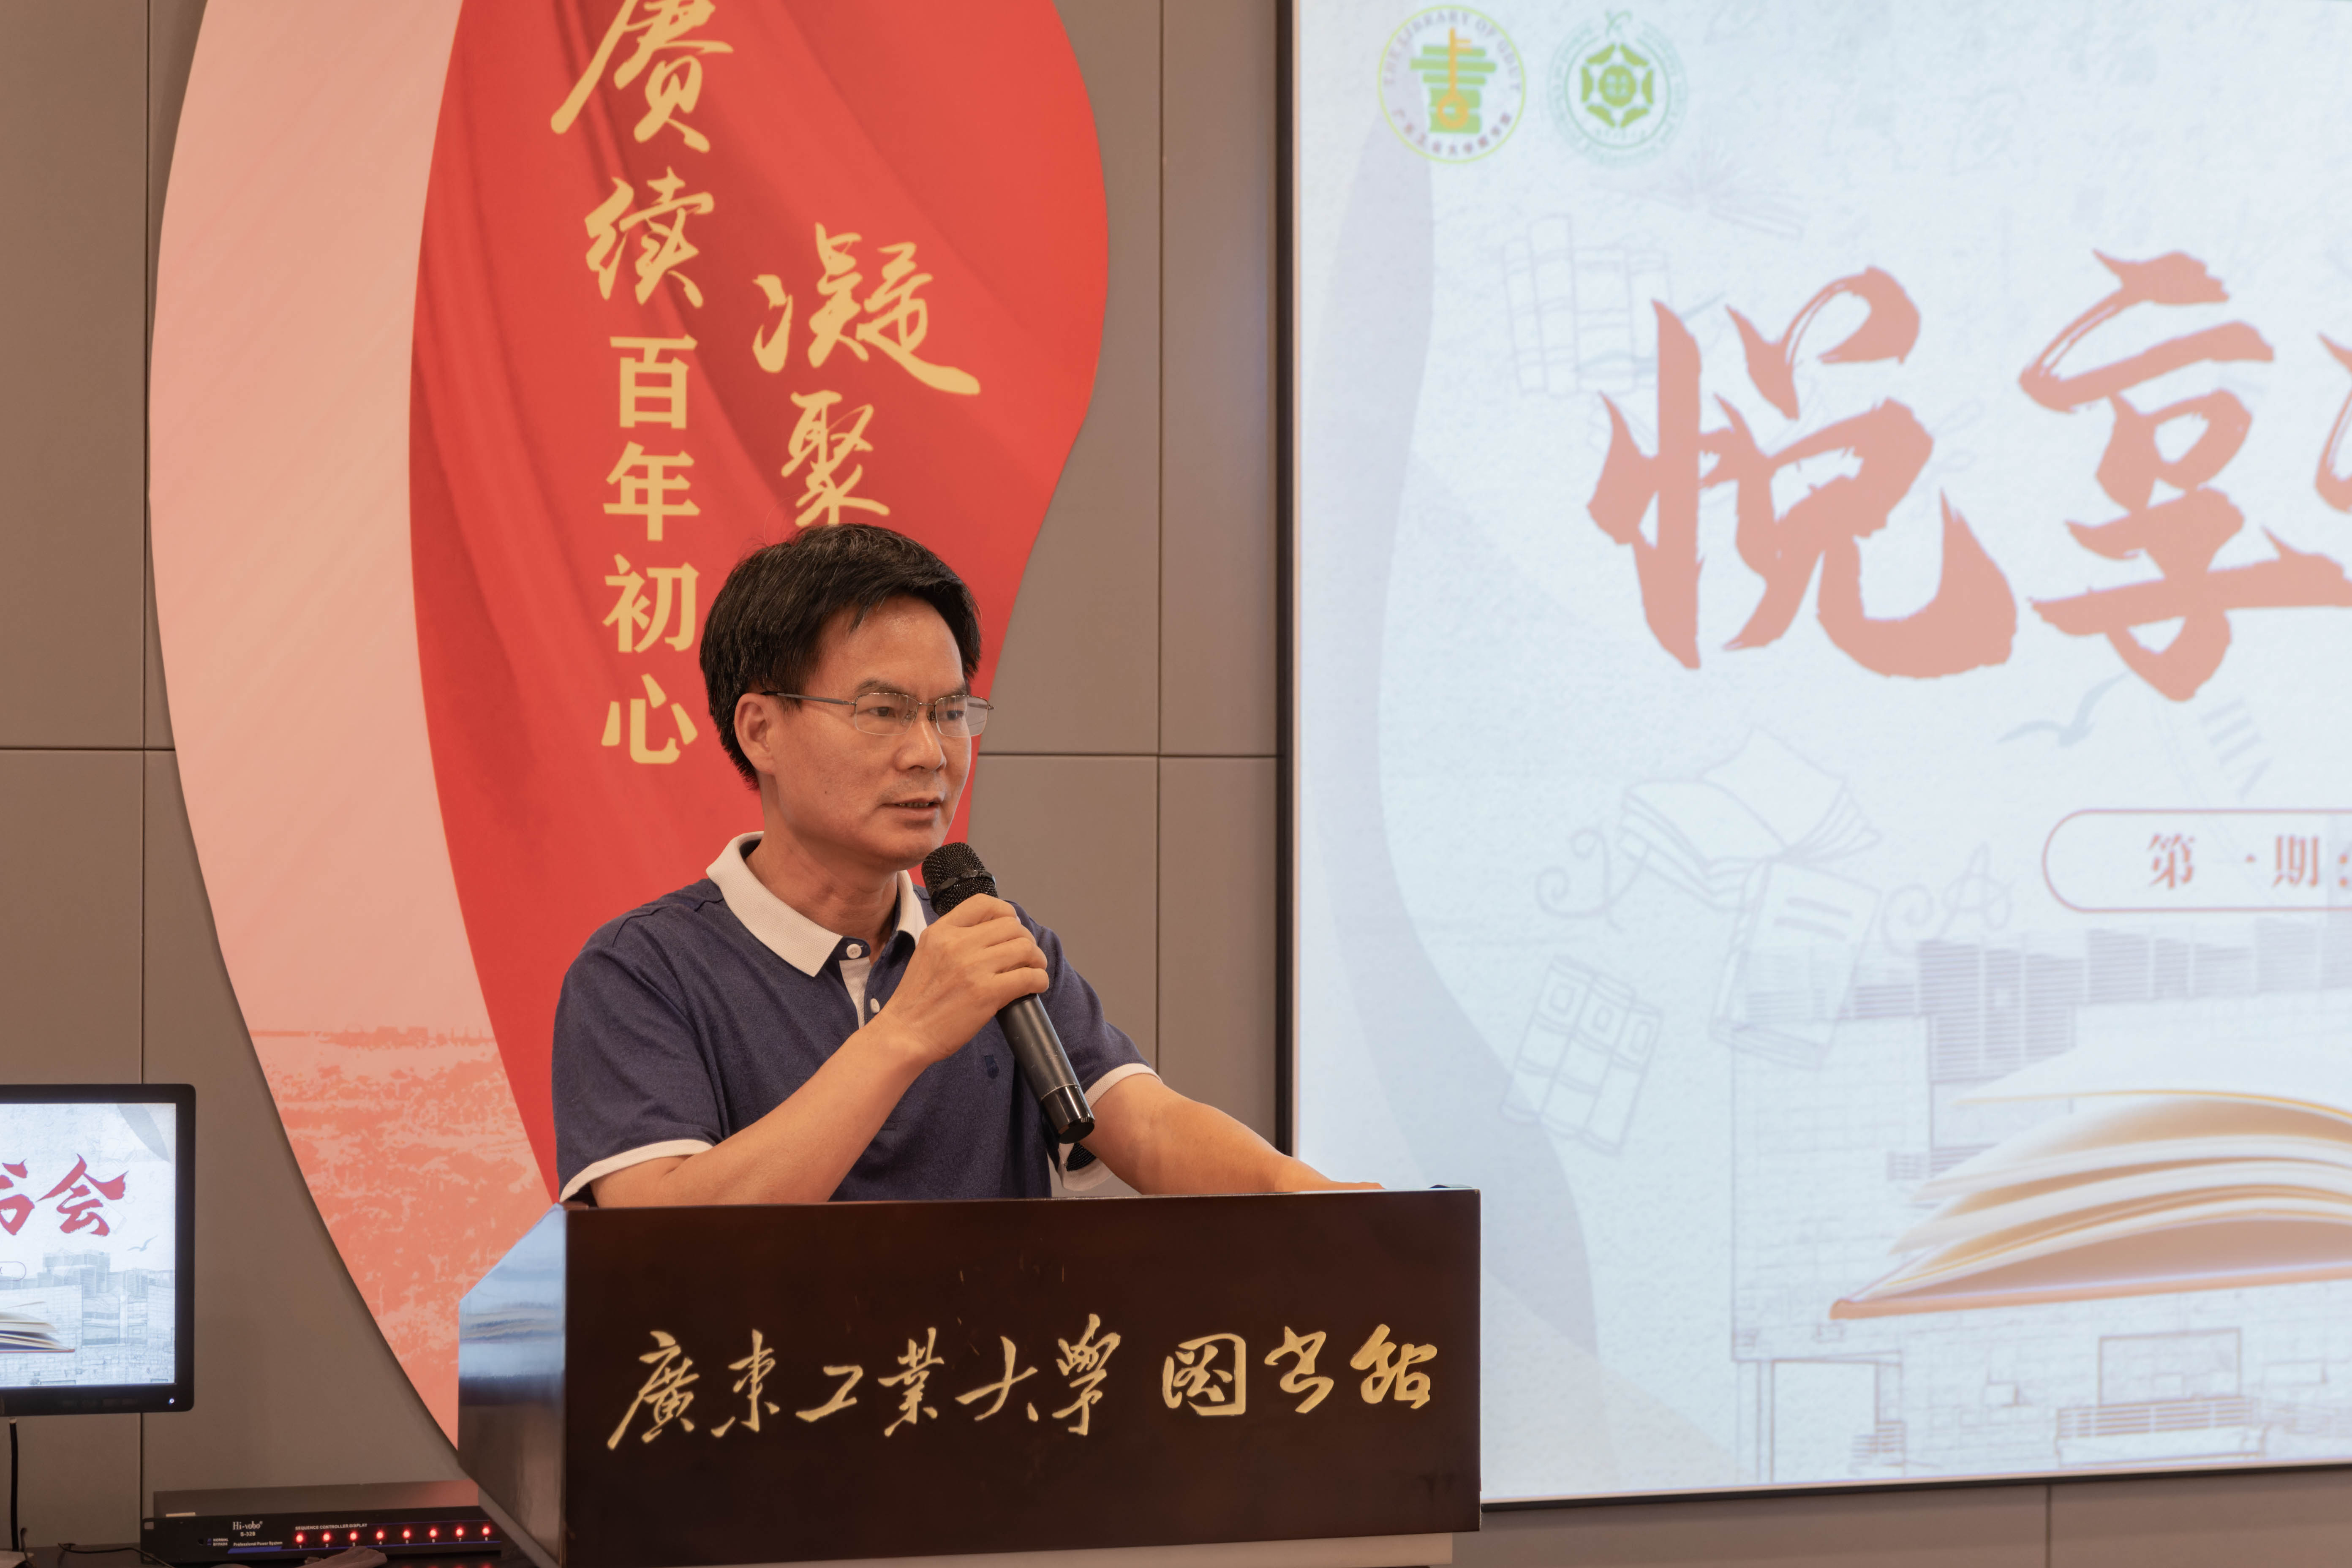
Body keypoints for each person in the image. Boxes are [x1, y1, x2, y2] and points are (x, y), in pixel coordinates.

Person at [554, 523, 1364, 1205]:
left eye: (949, 712)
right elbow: (658, 1227)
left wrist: (1318, 1201)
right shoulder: (643, 969)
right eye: (882, 711)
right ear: (761, 730)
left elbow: (1148, 1127)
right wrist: (906, 1032)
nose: (929, 753)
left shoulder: (989, 944)